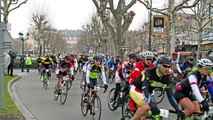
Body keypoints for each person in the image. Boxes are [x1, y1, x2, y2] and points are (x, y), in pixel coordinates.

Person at [130, 55, 184, 120]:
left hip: (146, 93)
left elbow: (170, 96)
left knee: (145, 116)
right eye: (165, 66)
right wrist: (151, 105)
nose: (167, 69)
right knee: (146, 107)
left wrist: (177, 109)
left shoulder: (167, 78)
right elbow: (145, 89)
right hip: (137, 90)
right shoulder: (148, 72)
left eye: (169, 67)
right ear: (159, 65)